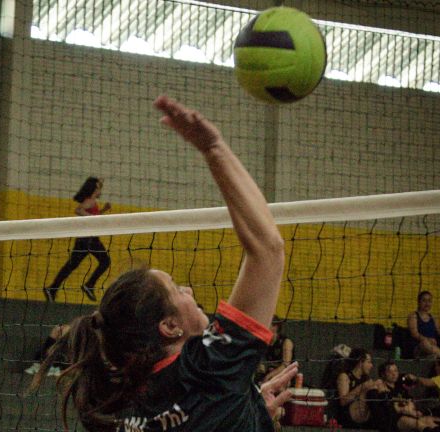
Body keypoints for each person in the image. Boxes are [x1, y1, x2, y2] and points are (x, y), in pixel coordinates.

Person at [37, 95, 296, 431]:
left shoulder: (118, 409)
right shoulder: (211, 370)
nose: (187, 289)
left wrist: (246, 411)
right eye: (176, 289)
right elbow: (268, 250)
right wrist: (214, 148)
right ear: (170, 326)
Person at [44, 177, 111, 302]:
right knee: (105, 261)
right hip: (88, 240)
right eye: (97, 188)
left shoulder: (93, 202)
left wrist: (103, 210)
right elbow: (78, 210)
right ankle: (89, 285)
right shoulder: (89, 201)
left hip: (87, 238)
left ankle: (53, 288)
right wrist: (90, 217)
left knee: (72, 265)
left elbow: (94, 218)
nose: (99, 190)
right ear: (93, 189)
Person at [367, 360, 440, 432]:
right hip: (392, 421)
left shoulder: (400, 388)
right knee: (415, 423)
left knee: (430, 422)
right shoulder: (381, 388)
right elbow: (386, 409)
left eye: (396, 370)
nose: (394, 374)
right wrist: (406, 410)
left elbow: (410, 401)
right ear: (383, 374)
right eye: (390, 371)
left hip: (407, 417)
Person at [336, 347, 380, 428]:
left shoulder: (366, 378)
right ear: (360, 362)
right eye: (369, 362)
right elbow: (343, 401)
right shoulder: (345, 376)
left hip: (363, 414)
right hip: (347, 415)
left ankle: (379, 422)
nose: (371, 366)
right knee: (370, 390)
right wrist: (362, 387)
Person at [256, 315, 294, 384]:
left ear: (275, 327)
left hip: (284, 376)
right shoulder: (264, 341)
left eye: (268, 324)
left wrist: (269, 376)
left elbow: (286, 365)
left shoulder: (286, 342)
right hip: (269, 376)